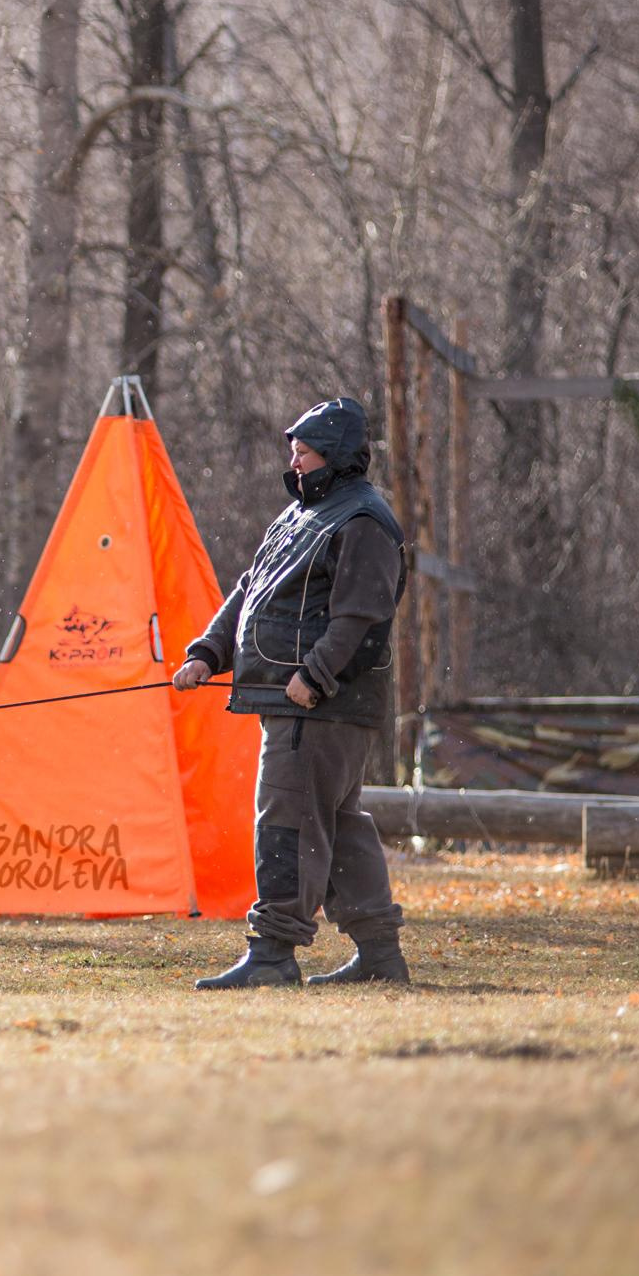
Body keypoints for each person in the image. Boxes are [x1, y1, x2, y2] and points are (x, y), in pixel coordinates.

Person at [173, 397, 411, 988]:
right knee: (338, 823)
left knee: (288, 823)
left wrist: (314, 677)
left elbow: (362, 617)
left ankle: (273, 954)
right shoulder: (300, 515)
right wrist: (208, 652)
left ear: (333, 456)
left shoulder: (362, 521)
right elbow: (250, 590)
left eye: (303, 451)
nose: (294, 460)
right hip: (293, 701)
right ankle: (380, 959)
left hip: (318, 704)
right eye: (294, 450)